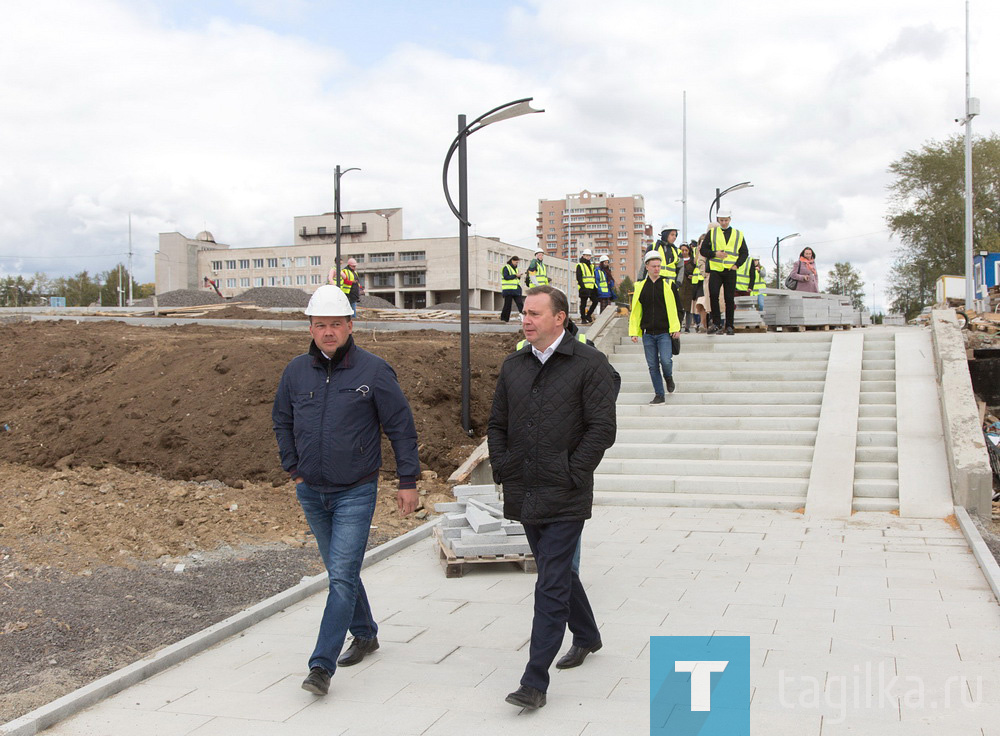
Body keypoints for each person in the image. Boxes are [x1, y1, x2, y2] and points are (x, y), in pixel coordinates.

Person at [272, 285, 420, 697]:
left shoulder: (373, 371)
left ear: (351, 325)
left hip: (355, 490)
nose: (328, 332)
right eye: (321, 325)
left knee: (339, 578)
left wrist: (407, 481)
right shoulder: (296, 372)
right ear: (311, 327)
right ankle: (366, 633)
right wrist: (293, 469)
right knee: (344, 573)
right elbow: (281, 420)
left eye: (336, 324)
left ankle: (321, 665)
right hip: (311, 491)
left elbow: (401, 429)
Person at [488, 285, 617, 710]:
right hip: (525, 488)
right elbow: (497, 424)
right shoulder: (514, 366)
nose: (525, 320)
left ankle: (534, 681)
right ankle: (588, 635)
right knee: (554, 569)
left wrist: (572, 472)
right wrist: (505, 466)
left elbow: (602, 429)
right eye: (524, 312)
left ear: (559, 318)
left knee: (549, 582)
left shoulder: (590, 364)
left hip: (565, 493)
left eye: (534, 313)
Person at [630, 250, 681, 404]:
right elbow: (635, 311)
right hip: (647, 333)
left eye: (659, 266)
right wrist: (634, 331)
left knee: (665, 361)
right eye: (653, 266)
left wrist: (676, 328)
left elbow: (678, 308)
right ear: (647, 267)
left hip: (665, 332)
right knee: (652, 366)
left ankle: (668, 377)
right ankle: (659, 395)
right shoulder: (639, 286)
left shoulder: (668, 284)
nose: (657, 269)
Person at [699, 210, 748, 335]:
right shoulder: (712, 233)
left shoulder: (738, 234)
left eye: (726, 220)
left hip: (730, 270)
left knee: (729, 298)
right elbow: (703, 250)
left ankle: (730, 325)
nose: (724, 222)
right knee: (713, 295)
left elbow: (744, 253)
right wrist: (715, 254)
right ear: (718, 220)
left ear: (730, 219)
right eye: (721, 220)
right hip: (715, 269)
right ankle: (716, 323)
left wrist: (737, 265)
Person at [676, 242, 699, 332]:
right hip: (680, 287)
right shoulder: (677, 260)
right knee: (680, 308)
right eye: (682, 250)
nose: (684, 252)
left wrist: (693, 276)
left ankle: (687, 327)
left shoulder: (693, 261)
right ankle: (679, 326)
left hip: (690, 287)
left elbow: (697, 271)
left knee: (689, 309)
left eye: (686, 250)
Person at [576, 249, 598, 324]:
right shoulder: (580, 265)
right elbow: (579, 277)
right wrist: (583, 287)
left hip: (591, 287)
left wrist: (595, 287)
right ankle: (583, 318)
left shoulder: (591, 266)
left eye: (589, 256)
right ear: (583, 256)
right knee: (583, 304)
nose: (588, 257)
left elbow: (592, 277)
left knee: (595, 301)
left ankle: (588, 315)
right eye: (587, 256)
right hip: (584, 288)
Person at [500, 255, 525, 323]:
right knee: (507, 305)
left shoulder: (516, 269)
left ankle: (525, 318)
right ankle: (504, 319)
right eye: (516, 262)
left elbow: (516, 279)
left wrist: (518, 276)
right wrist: (515, 275)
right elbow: (506, 277)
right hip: (508, 290)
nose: (517, 264)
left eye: (518, 262)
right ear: (512, 261)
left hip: (515, 290)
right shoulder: (506, 268)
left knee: (520, 304)